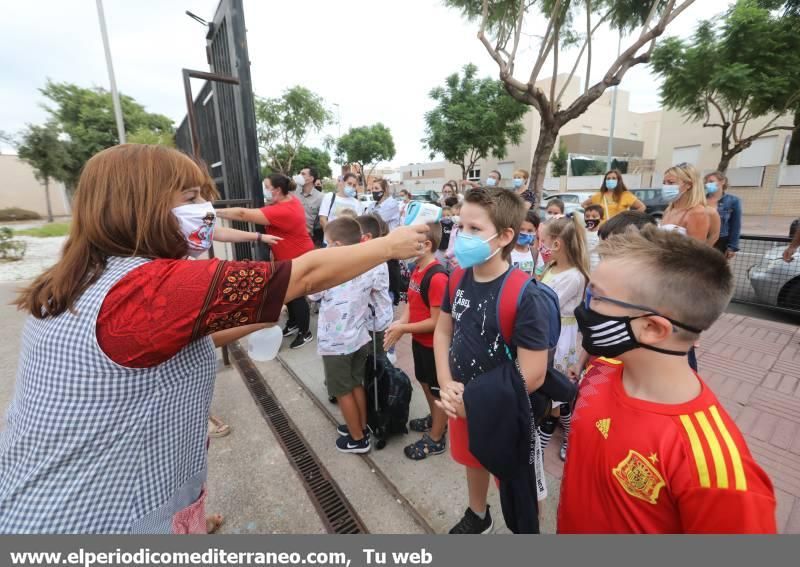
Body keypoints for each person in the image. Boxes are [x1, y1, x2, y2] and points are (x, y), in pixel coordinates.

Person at [0, 144, 427, 534]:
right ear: (136, 206)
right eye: (190, 199)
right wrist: (389, 246)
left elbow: (183, 338)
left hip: (54, 493)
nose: (206, 209)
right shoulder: (147, 286)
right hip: (96, 518)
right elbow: (308, 272)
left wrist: (262, 316)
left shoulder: (90, 272)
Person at [558, 227, 777, 534]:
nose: (585, 306)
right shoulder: (602, 369)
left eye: (597, 297)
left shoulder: (716, 471)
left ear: (652, 328)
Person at [433, 187, 552, 534]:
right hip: (462, 399)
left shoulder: (526, 294)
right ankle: (478, 513)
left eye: (474, 230)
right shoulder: (456, 278)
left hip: (505, 409)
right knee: (474, 458)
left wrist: (476, 403)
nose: (462, 237)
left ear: (505, 236)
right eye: (460, 227)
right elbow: (443, 333)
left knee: (519, 480)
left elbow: (532, 373)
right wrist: (445, 382)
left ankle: (528, 529)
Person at [309, 217, 403, 454]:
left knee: (342, 390)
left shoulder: (329, 272)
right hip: (358, 337)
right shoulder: (365, 267)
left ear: (338, 246)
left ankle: (357, 438)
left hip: (335, 343)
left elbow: (312, 295)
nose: (324, 247)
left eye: (327, 243)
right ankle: (361, 425)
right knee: (355, 384)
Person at [217, 174, 316, 350]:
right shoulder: (287, 201)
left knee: (297, 295)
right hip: (288, 257)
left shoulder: (283, 210)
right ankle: (293, 323)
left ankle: (305, 332)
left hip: (298, 257)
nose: (264, 189)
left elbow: (242, 214)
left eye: (266, 186)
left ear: (276, 190)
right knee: (289, 293)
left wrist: (214, 211)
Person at [384, 222, 449, 461]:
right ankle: (436, 420)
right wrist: (400, 322)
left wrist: (403, 328)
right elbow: (412, 302)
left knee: (438, 391)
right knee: (424, 382)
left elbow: (437, 322)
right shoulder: (417, 268)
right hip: (420, 342)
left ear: (427, 244)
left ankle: (436, 437)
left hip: (435, 347)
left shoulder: (437, 276)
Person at [537, 215, 590, 461]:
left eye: (544, 241)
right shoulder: (552, 267)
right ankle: (563, 432)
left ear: (557, 244)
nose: (541, 246)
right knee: (555, 392)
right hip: (547, 331)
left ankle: (561, 437)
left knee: (557, 392)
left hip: (559, 335)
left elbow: (547, 303)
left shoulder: (574, 276)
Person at [355, 215, 394, 359]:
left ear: (366, 237)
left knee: (377, 361)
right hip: (368, 321)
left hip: (378, 324)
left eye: (354, 235)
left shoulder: (377, 263)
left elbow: (362, 287)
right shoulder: (365, 259)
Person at [659, 163, 711, 241]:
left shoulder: (697, 213)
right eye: (664, 183)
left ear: (688, 185)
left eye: (671, 182)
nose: (666, 186)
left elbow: (696, 250)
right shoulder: (669, 209)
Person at [704, 171, 742, 259]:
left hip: (721, 241)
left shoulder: (733, 201)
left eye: (711, 181)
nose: (707, 184)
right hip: (702, 238)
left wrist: (732, 247)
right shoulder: (700, 199)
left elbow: (735, 225)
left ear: (722, 182)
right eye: (706, 182)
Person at [292, 167, 325, 247]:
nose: (299, 176)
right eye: (300, 173)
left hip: (307, 238)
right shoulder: (292, 193)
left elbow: (319, 222)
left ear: (311, 179)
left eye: (303, 174)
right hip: (290, 235)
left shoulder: (321, 197)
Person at [510, 210, 540, 276]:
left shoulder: (535, 254)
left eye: (530, 231)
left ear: (535, 231)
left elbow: (538, 275)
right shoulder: (506, 252)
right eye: (521, 229)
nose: (525, 233)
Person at [584, 204, 604, 271]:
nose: (590, 218)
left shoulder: (602, 234)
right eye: (587, 216)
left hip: (596, 268)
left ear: (601, 219)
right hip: (583, 268)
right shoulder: (581, 233)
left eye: (594, 216)